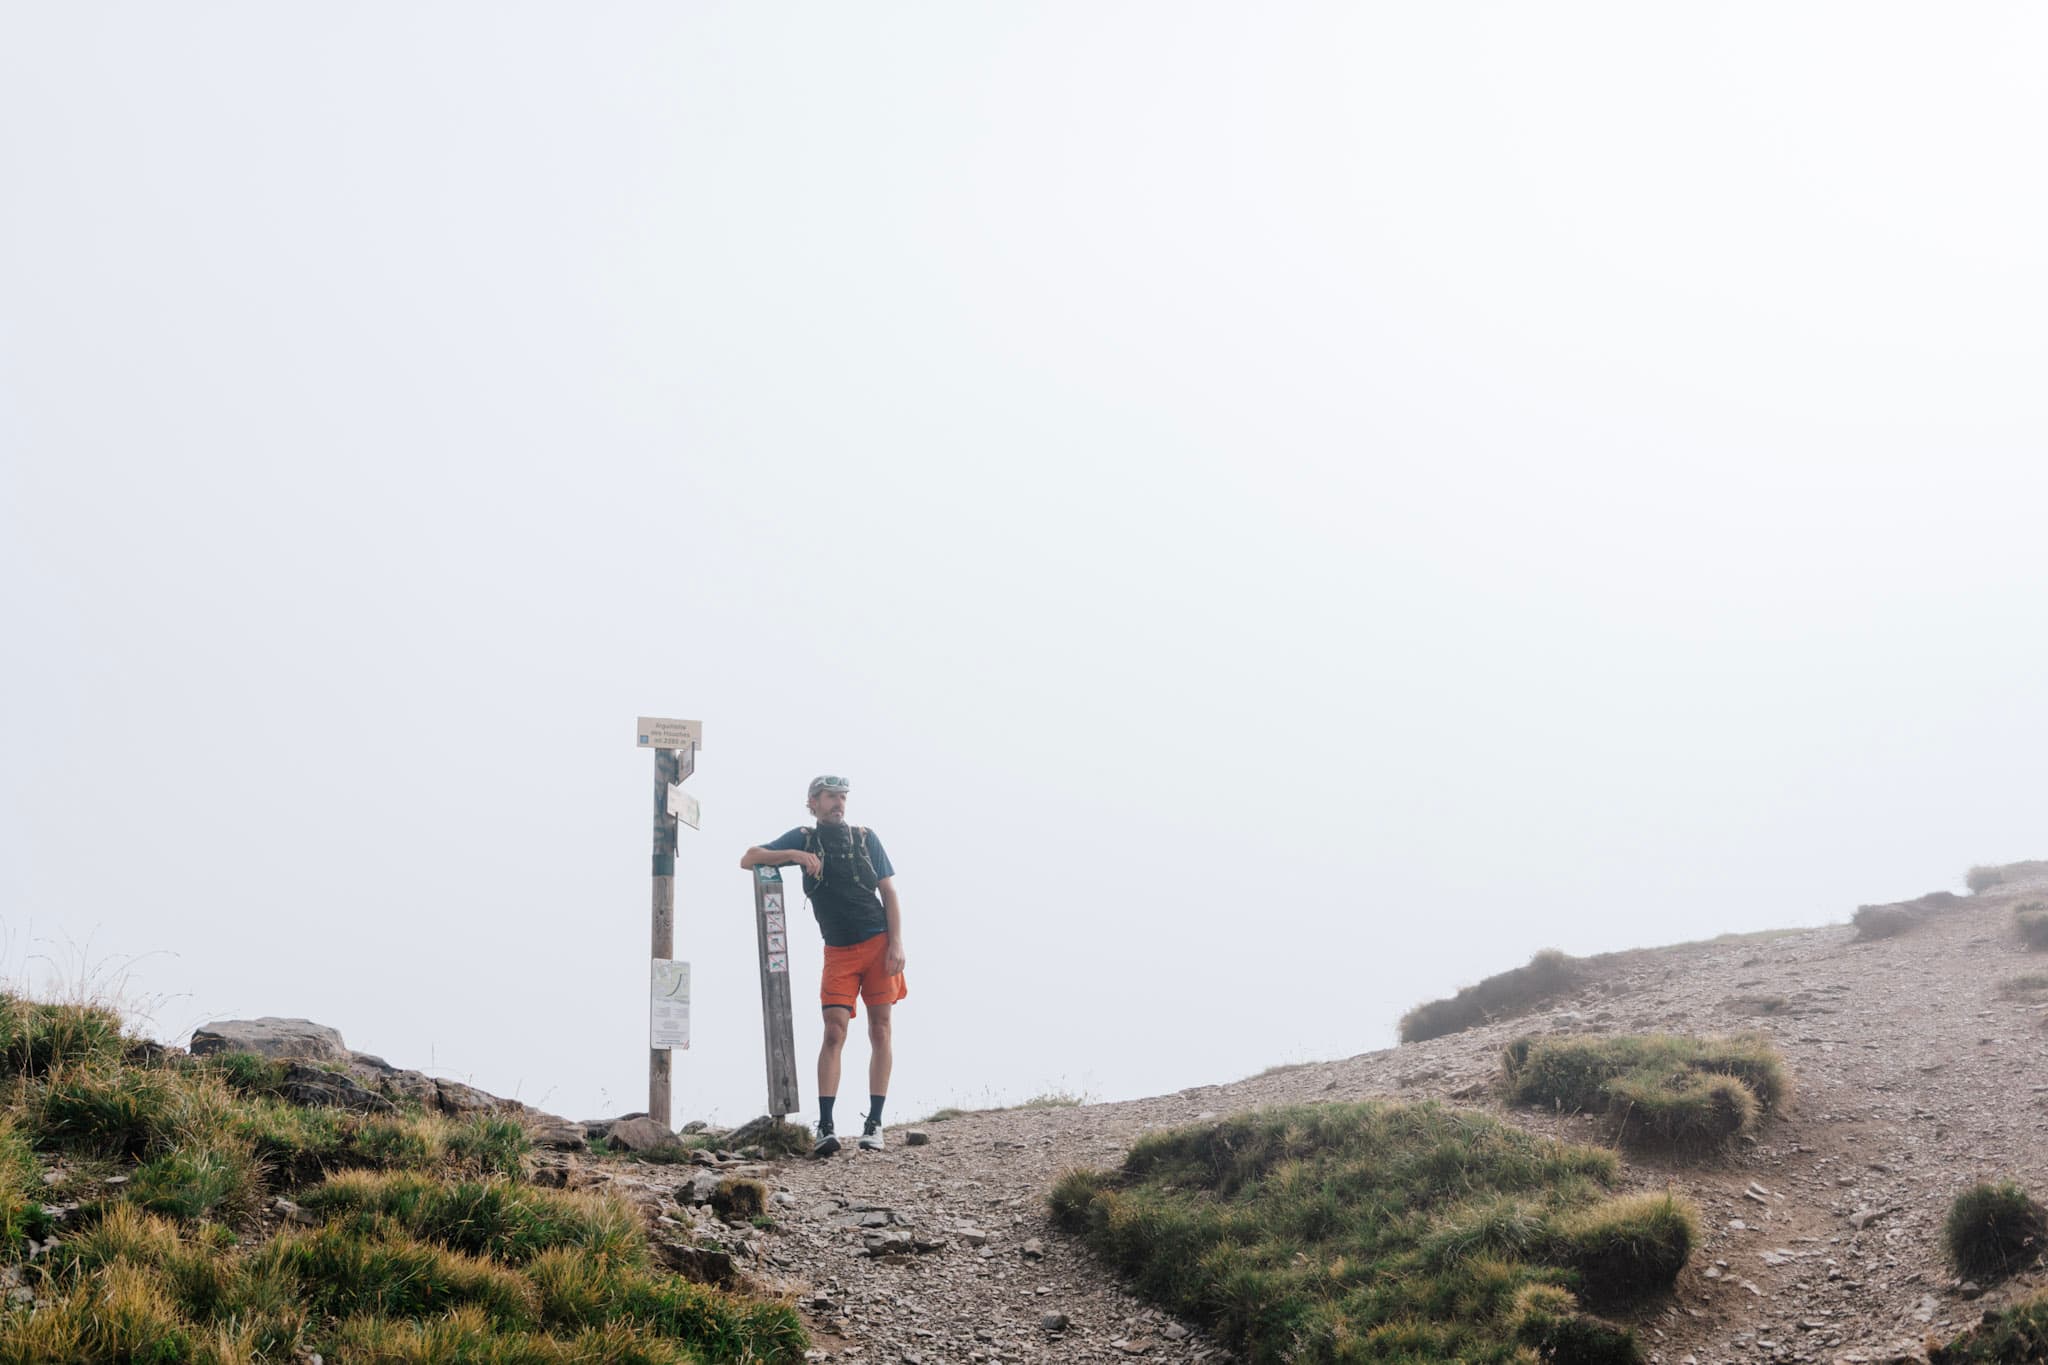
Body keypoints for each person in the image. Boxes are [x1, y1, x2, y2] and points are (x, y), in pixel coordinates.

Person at [740, 775, 906, 1156]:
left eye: (843, 797)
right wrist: (795, 856)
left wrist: (896, 942)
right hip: (838, 951)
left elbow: (889, 892)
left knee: (880, 1030)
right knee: (834, 1031)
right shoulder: (804, 837)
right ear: (813, 802)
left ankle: (874, 1123)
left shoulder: (866, 838)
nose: (839, 804)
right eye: (831, 797)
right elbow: (749, 858)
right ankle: (826, 1126)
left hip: (879, 943)